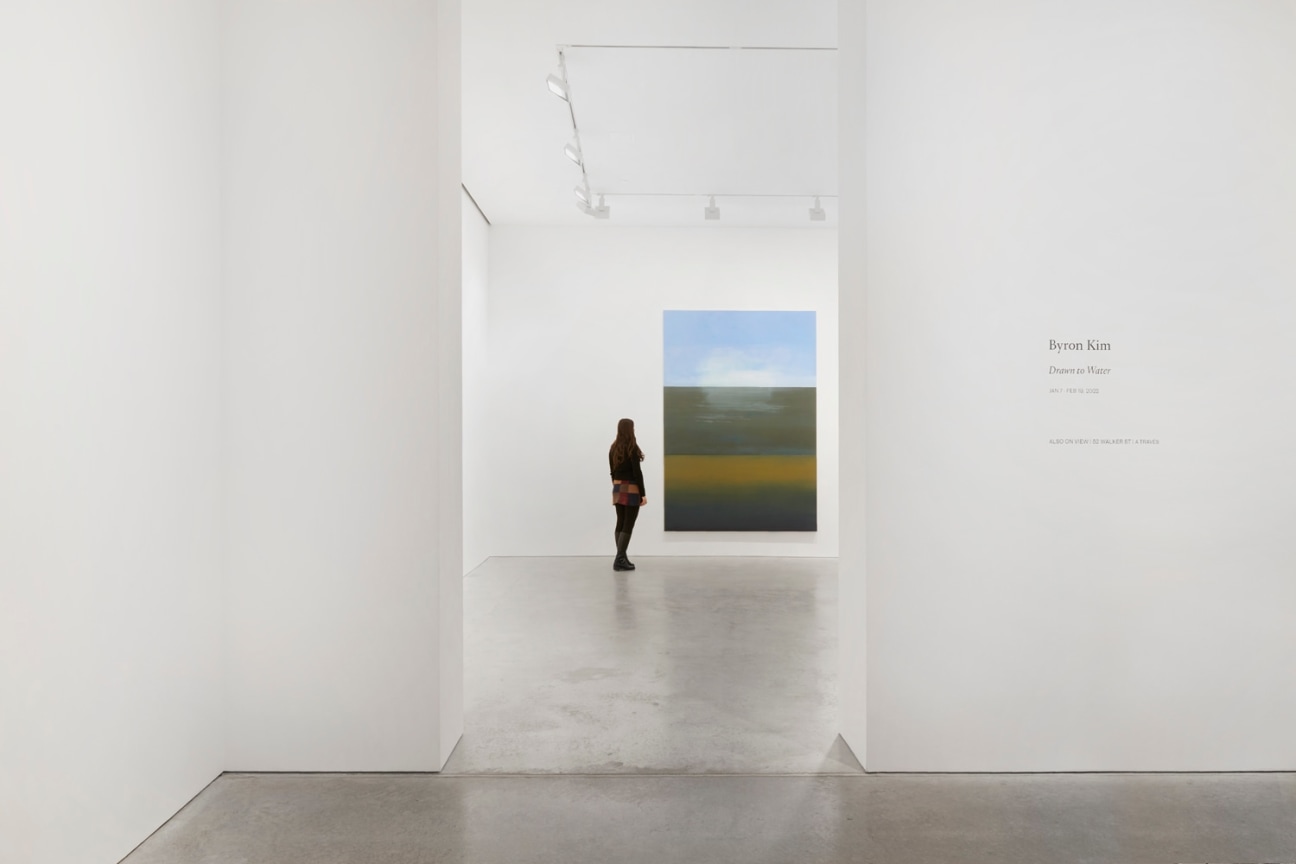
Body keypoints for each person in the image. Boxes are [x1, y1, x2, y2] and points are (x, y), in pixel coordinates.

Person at [608, 417, 646, 572]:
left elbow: (612, 471)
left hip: (617, 487)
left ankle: (621, 557)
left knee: (621, 521)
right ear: (631, 429)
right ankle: (620, 559)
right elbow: (637, 473)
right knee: (628, 524)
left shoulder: (613, 448)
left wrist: (616, 485)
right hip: (631, 488)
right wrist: (642, 494)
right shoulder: (632, 447)